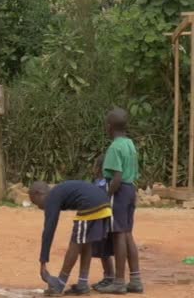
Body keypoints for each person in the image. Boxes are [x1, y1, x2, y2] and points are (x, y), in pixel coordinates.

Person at [29, 180, 112, 296]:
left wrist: (43, 262)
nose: (38, 207)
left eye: (36, 203)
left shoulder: (51, 197)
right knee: (86, 242)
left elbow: (49, 229)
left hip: (90, 203)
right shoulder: (57, 192)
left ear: (38, 193)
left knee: (75, 244)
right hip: (103, 202)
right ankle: (82, 284)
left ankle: (60, 283)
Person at [97, 108, 144, 294]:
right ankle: (135, 279)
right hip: (130, 189)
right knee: (127, 234)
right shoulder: (130, 144)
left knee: (118, 234)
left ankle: (118, 281)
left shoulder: (115, 147)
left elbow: (116, 177)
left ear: (109, 127)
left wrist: (106, 195)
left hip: (119, 191)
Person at [91, 155, 115, 291]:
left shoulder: (104, 183)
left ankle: (110, 276)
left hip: (103, 220)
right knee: (102, 251)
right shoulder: (98, 181)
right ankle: (108, 276)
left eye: (95, 166)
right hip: (98, 219)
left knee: (104, 251)